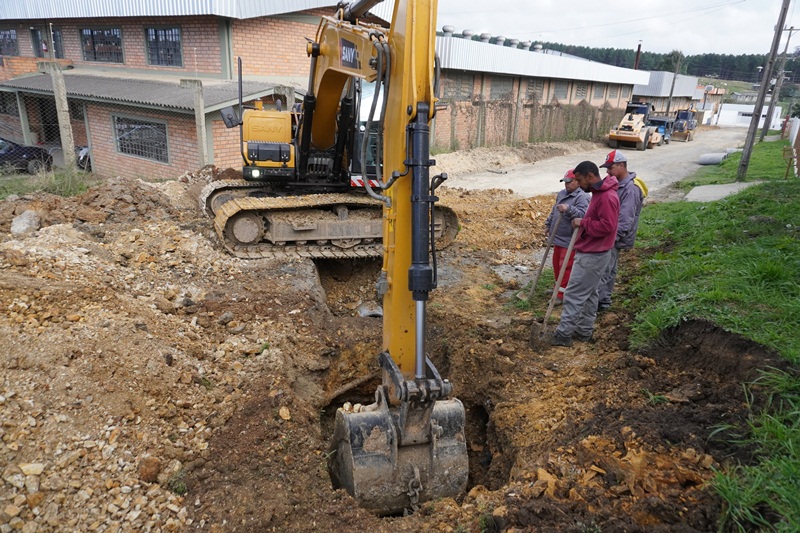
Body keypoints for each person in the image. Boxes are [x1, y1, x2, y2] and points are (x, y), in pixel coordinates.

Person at [550, 160, 619, 347]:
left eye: (580, 180)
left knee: (573, 294)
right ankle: (584, 331)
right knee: (589, 294)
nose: (578, 185)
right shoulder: (598, 194)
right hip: (594, 252)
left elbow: (608, 226)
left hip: (593, 254)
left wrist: (583, 223)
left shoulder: (607, 197)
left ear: (590, 176)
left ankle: (563, 335)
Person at [596, 149, 644, 312]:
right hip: (613, 236)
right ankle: (604, 301)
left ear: (622, 166)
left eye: (611, 168)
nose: (608, 172)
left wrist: (611, 239)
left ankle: (597, 303)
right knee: (609, 269)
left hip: (615, 237)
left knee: (604, 270)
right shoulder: (618, 185)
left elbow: (625, 220)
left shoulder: (630, 189)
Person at [544, 169, 589, 301]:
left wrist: (569, 209)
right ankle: (557, 287)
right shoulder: (562, 194)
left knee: (566, 267)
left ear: (577, 181)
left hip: (569, 239)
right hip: (558, 236)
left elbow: (583, 216)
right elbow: (554, 210)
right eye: (565, 182)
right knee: (557, 265)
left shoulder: (582, 196)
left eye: (569, 182)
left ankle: (562, 294)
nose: (567, 185)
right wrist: (548, 224)